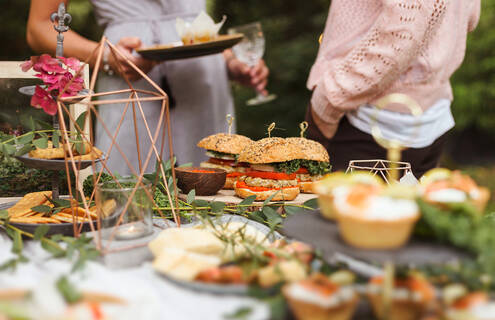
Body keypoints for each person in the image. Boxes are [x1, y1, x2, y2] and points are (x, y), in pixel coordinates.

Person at [26, 0, 269, 175]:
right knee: (128, 195)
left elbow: (194, 24)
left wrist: (231, 62)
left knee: (214, 188)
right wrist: (107, 56)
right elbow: (39, 28)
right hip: (131, 81)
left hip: (204, 86)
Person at [306, 0, 481, 178]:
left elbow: (403, 31)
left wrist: (329, 100)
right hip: (430, 116)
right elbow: (470, 17)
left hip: (369, 124)